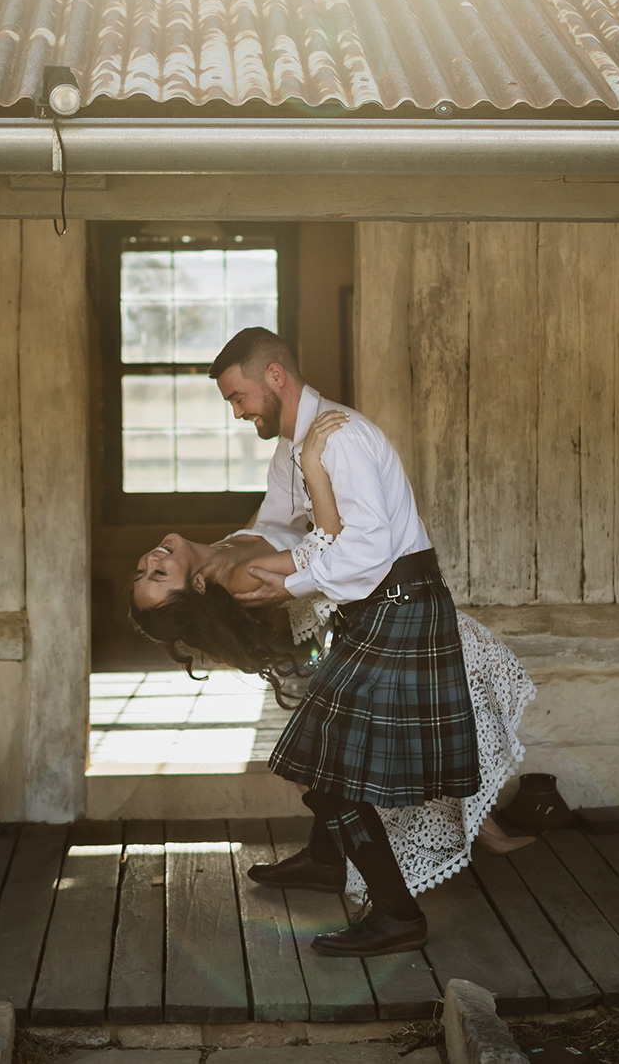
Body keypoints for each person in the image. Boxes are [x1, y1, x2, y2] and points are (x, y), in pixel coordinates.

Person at [129, 328, 535, 956]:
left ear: (274, 377)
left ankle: (396, 915)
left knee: (326, 769)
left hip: (396, 602)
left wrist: (298, 571)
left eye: (238, 397)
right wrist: (251, 558)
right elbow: (278, 527)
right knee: (326, 762)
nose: (237, 412)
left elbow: (363, 551)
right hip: (372, 609)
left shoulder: (335, 441)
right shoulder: (297, 448)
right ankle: (329, 864)